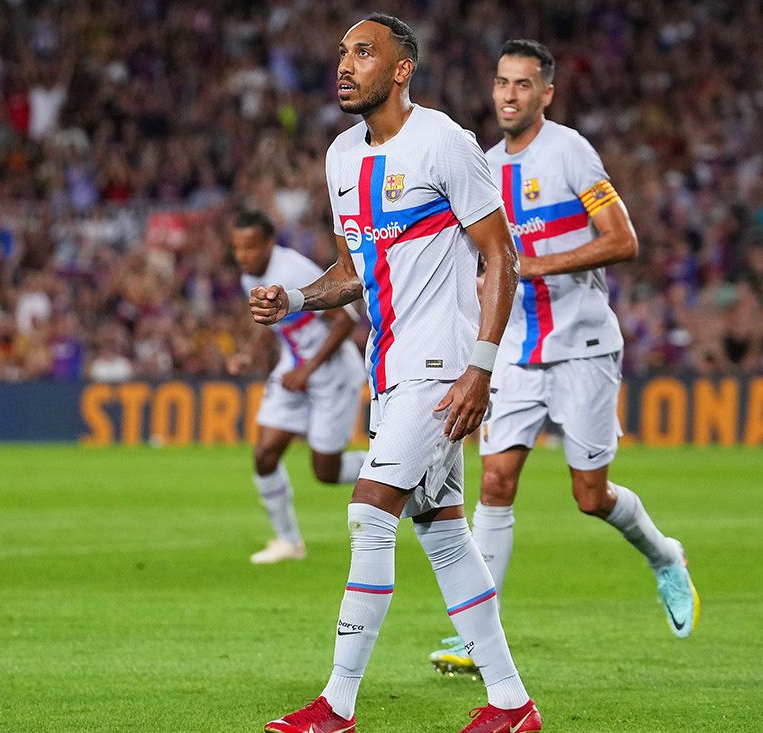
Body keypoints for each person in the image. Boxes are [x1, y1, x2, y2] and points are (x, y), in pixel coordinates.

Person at [251, 15, 543, 733]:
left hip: (442, 366)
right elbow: (353, 270)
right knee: (442, 529)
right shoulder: (342, 156)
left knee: (367, 509)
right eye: (341, 53)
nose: (344, 66)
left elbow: (500, 255)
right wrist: (293, 298)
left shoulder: (444, 142)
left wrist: (480, 368)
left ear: (402, 68)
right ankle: (511, 703)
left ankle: (337, 704)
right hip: (390, 370)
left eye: (362, 52)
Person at [430, 39, 699, 677]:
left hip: (582, 347)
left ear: (545, 94)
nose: (508, 95)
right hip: (517, 353)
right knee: (494, 482)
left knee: (589, 495)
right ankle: (476, 639)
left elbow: (623, 240)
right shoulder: (482, 167)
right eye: (501, 82)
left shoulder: (571, 151)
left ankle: (665, 556)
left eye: (523, 85)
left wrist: (540, 263)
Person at [229, 209, 368, 564]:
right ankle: (289, 542)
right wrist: (248, 353)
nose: (243, 256)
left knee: (326, 471)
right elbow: (271, 320)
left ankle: (399, 467)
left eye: (250, 248)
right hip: (294, 367)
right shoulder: (251, 277)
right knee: (264, 455)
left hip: (332, 371)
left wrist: (308, 371)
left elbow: (344, 323)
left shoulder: (294, 272)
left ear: (269, 244)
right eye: (237, 248)